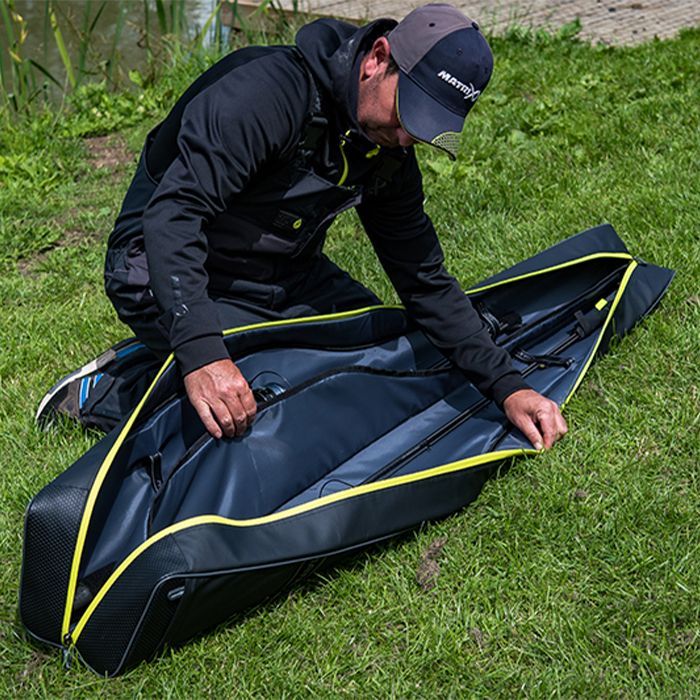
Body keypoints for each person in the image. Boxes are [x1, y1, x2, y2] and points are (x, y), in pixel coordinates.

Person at [40, 3, 567, 449]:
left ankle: (198, 347)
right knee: (272, 399)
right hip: (157, 262)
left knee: (383, 358)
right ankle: (115, 388)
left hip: (281, 269)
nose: (409, 138)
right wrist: (203, 355)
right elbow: (174, 216)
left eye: (428, 127)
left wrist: (508, 386)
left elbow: (423, 279)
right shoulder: (266, 94)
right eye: (410, 111)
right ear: (377, 59)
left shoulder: (387, 145)